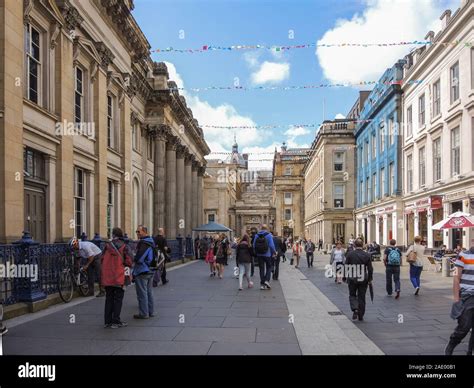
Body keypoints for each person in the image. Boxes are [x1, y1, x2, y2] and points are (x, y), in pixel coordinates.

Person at [101, 227, 133, 328]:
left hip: (108, 276)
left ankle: (107, 321)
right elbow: (129, 262)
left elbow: (102, 259)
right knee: (118, 299)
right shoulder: (125, 246)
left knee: (109, 298)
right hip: (119, 276)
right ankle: (116, 321)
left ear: (113, 234)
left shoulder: (106, 246)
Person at [445, 246, 474, 355]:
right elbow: (456, 277)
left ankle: (470, 351)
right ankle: (452, 343)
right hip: (467, 295)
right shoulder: (463, 255)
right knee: (464, 326)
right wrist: (457, 300)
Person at [345, 238, 373, 321]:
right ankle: (361, 315)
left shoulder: (350, 254)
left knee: (352, 294)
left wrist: (345, 276)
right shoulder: (367, 255)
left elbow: (346, 266)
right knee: (362, 296)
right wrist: (370, 278)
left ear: (354, 245)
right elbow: (370, 269)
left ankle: (355, 309)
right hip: (363, 277)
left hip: (352, 277)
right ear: (363, 245)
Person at [133, 225, 155, 319]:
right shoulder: (151, 241)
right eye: (136, 232)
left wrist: (134, 257)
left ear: (144, 232)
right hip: (151, 269)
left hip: (143, 270)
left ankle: (144, 313)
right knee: (149, 292)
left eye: (139, 232)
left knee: (142, 293)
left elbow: (139, 259)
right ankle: (151, 311)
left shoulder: (144, 243)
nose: (137, 233)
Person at [253, 224, 276, 290]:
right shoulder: (269, 235)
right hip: (267, 254)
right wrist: (274, 252)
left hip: (259, 255)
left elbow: (254, 245)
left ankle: (262, 285)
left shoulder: (256, 235)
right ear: (266, 229)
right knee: (269, 267)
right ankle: (266, 280)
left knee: (261, 269)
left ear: (261, 228)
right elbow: (271, 245)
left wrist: (256, 252)